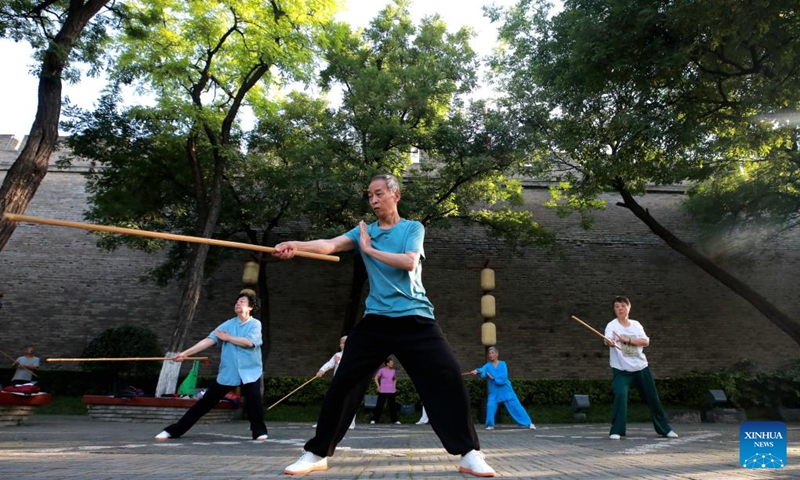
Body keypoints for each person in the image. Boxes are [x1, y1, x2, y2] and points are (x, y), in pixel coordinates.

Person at [274, 174, 495, 477]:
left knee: (447, 377)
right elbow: (329, 244)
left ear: (396, 195)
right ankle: (316, 453)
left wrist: (369, 249)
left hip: (416, 317)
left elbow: (409, 262)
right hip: (376, 320)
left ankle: (469, 453)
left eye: (379, 194)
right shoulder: (364, 230)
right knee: (344, 383)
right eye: (370, 196)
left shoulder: (412, 228)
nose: (374, 200)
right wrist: (295, 245)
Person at [155, 292, 269, 441]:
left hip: (250, 372)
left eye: (242, 301)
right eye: (237, 301)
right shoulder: (228, 324)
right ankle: (173, 431)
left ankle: (259, 432)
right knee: (205, 403)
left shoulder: (255, 324)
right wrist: (185, 353)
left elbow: (249, 342)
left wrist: (228, 338)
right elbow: (208, 340)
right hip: (228, 373)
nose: (237, 303)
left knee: (254, 402)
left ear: (251, 307)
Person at [603, 295, 678, 440]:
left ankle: (665, 429)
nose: (620, 309)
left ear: (628, 308)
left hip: (641, 368)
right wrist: (609, 342)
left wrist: (627, 340)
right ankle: (616, 430)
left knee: (653, 398)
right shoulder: (611, 325)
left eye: (623, 306)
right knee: (620, 395)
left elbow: (645, 341)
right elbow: (607, 339)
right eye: (617, 306)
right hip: (621, 370)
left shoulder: (636, 325)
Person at [470, 347, 536, 430]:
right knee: (490, 405)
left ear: (497, 354)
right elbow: (482, 370)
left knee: (516, 406)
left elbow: (504, 376)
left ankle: (528, 423)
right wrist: (476, 371)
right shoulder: (488, 365)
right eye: (489, 353)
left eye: (492, 353)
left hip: (506, 390)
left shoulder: (502, 364)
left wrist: (494, 378)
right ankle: (490, 425)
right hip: (494, 391)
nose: (490, 355)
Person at [314, 336, 355, 430]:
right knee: (330, 402)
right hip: (337, 382)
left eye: (343, 342)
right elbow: (329, 363)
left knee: (348, 403)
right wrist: (321, 371)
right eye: (341, 342)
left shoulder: (352, 355)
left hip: (348, 383)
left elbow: (349, 368)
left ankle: (350, 423)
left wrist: (339, 361)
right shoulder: (337, 354)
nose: (341, 344)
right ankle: (324, 423)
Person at [370, 357, 399, 425]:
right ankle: (374, 419)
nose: (392, 364)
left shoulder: (393, 371)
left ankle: (395, 420)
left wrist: (394, 387)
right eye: (391, 362)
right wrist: (378, 386)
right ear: (387, 363)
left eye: (393, 362)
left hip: (391, 390)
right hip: (383, 390)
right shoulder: (382, 370)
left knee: (392, 406)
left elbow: (394, 379)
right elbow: (376, 378)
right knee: (379, 405)